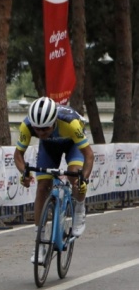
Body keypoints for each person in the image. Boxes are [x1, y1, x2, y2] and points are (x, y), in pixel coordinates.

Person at [14, 97, 94, 264]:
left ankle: (79, 208)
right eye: (38, 130)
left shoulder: (71, 123)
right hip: (49, 148)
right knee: (42, 187)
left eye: (45, 129)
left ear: (54, 121)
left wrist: (83, 179)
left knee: (74, 174)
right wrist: (24, 173)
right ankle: (40, 243)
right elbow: (18, 155)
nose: (41, 133)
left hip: (73, 145)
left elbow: (89, 155)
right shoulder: (27, 126)